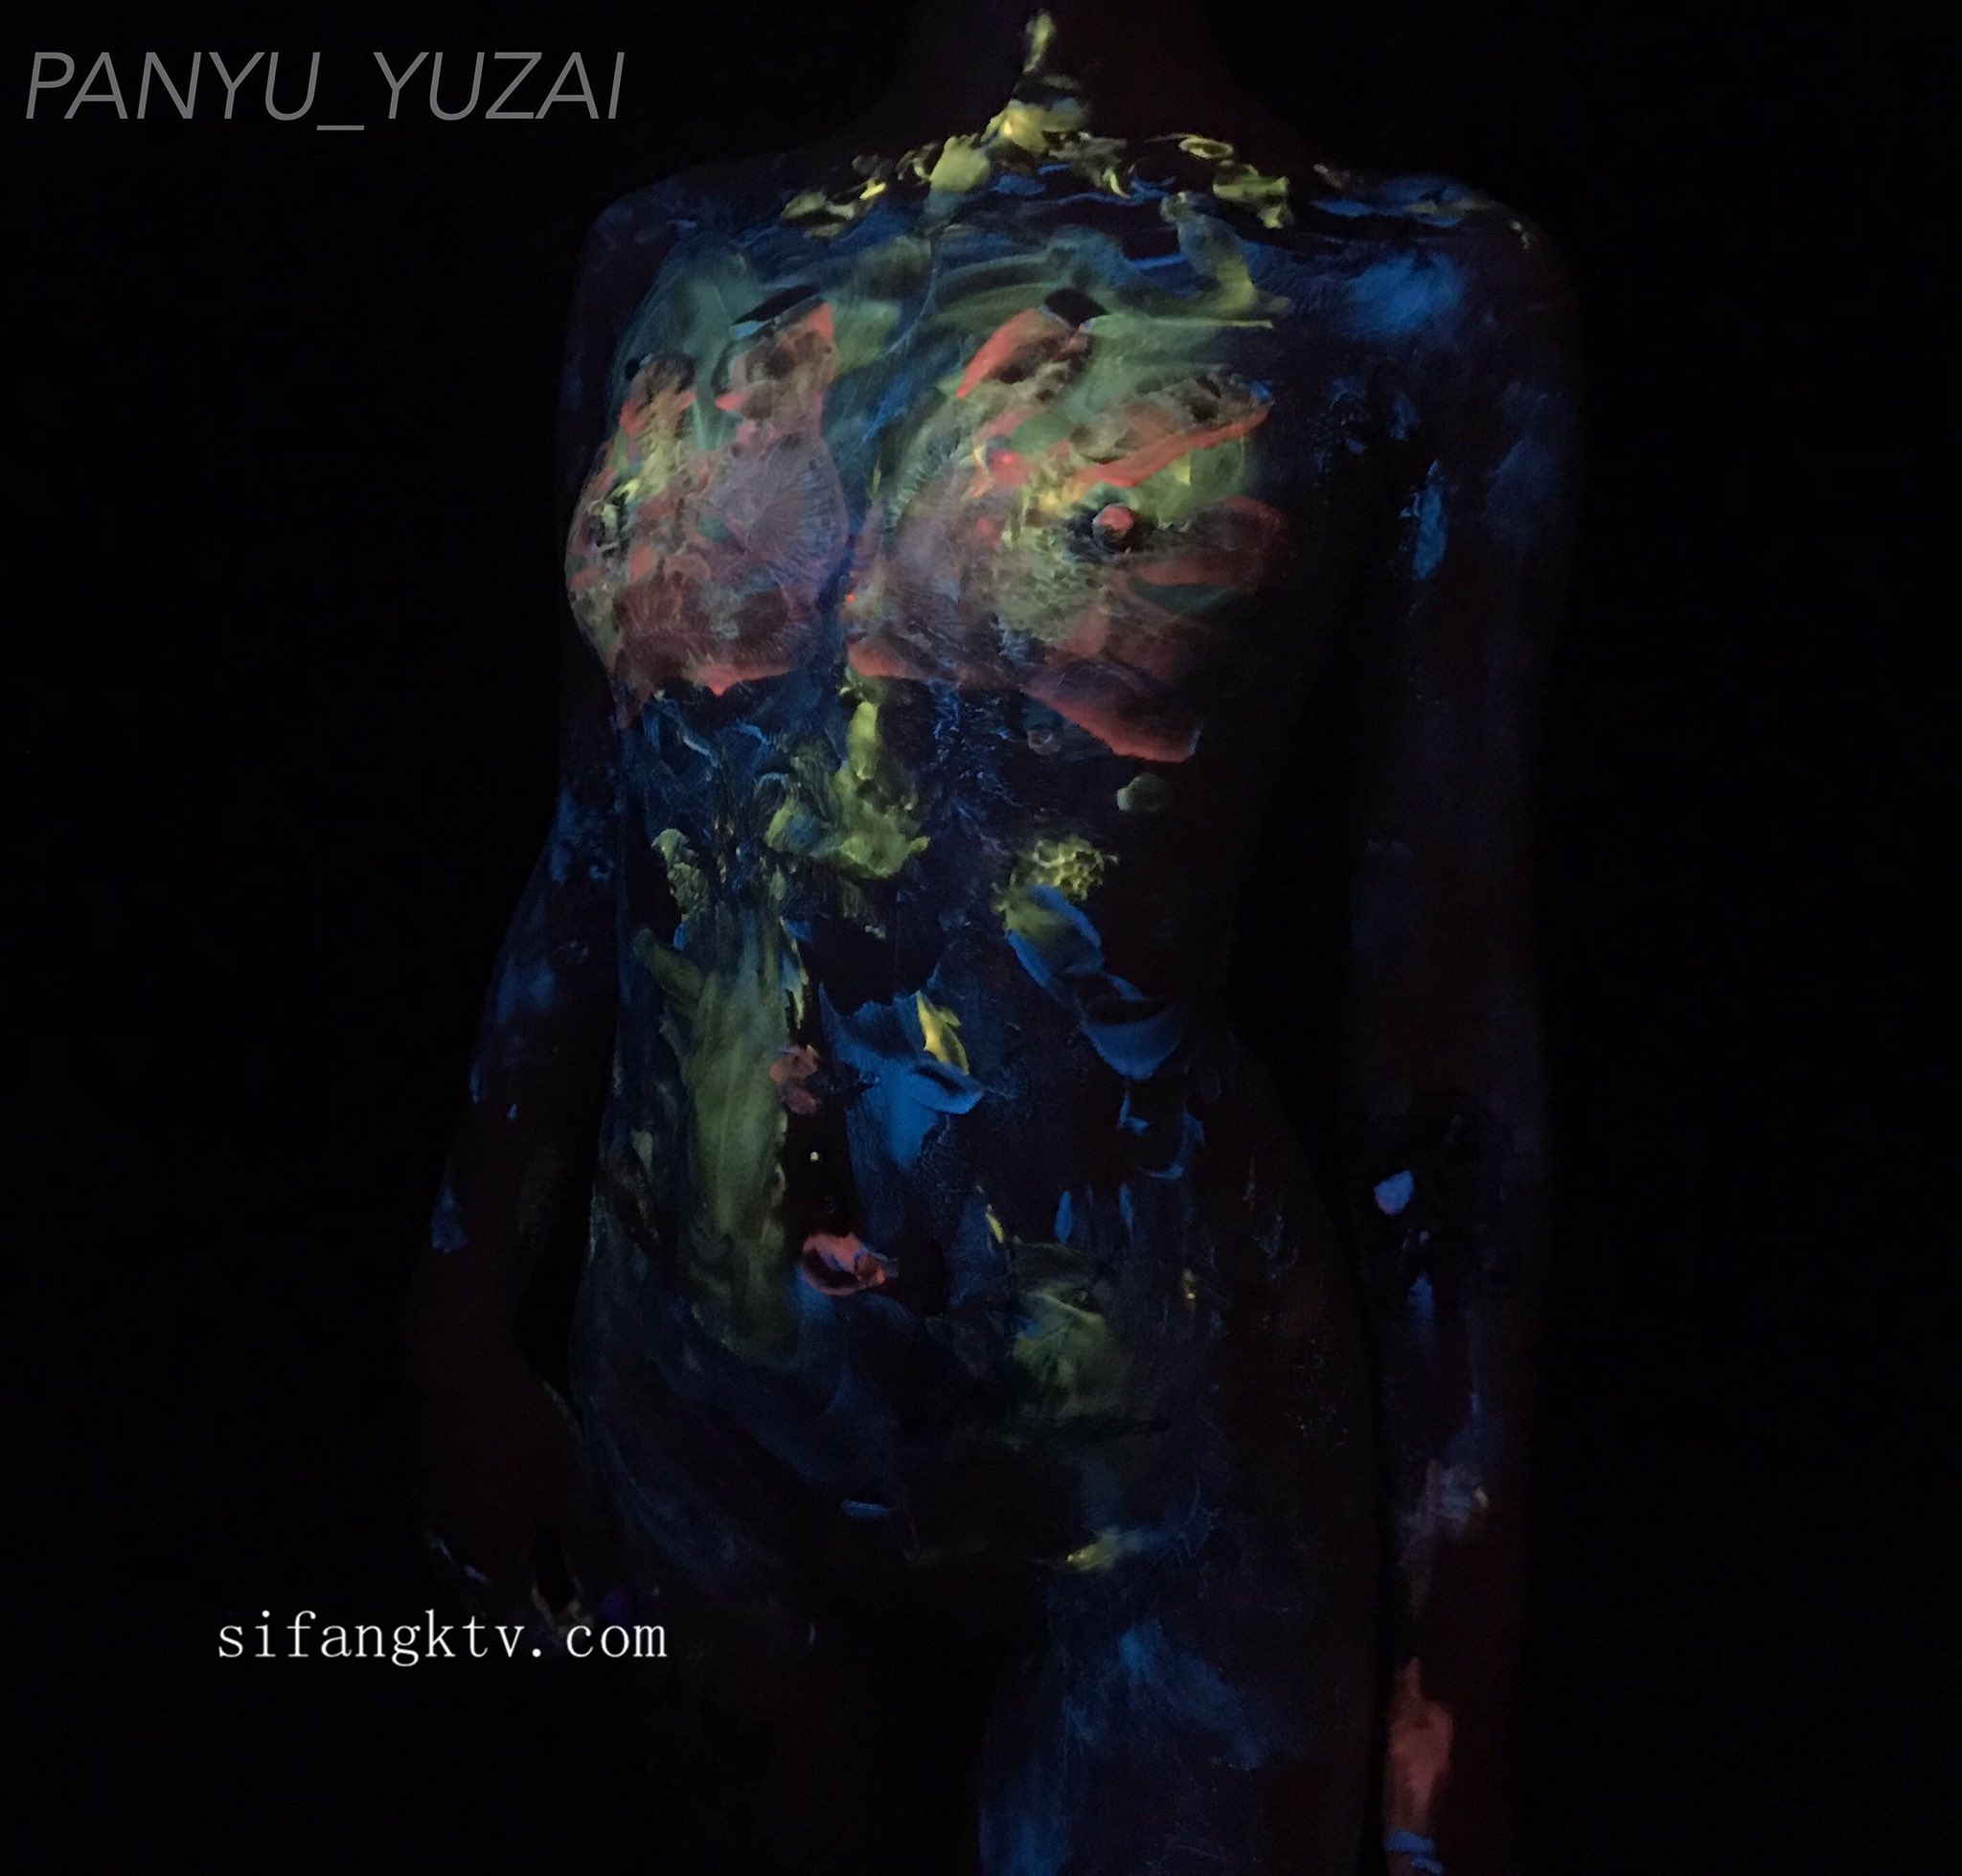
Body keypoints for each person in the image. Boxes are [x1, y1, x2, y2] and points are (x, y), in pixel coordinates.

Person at [403, 4, 1581, 1870]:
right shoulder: (671, 255)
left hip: (1141, 1440)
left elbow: (1436, 998)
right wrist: (467, 1304)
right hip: (698, 1409)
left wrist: (1455, 1691)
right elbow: (594, 832)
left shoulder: (1405, 286)